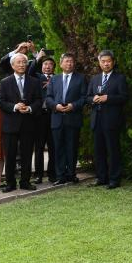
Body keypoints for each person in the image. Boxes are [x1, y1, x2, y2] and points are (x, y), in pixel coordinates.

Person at [0, 53, 42, 192]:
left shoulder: (34, 81)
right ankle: (10, 183)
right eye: (19, 62)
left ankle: (25, 182)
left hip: (28, 123)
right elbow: (1, 102)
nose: (22, 65)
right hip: (10, 124)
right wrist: (15, 107)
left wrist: (29, 108)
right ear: (12, 65)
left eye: (24, 62)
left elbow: (39, 100)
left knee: (27, 154)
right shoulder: (5, 82)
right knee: (9, 155)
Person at [86, 50, 129, 189]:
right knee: (99, 151)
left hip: (112, 120)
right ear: (99, 63)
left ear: (113, 62)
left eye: (108, 61)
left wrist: (108, 98)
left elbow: (124, 97)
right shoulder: (95, 79)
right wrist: (93, 99)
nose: (106, 64)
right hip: (96, 119)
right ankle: (101, 178)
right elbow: (87, 97)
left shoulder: (120, 78)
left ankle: (114, 180)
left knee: (113, 150)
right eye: (103, 61)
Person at [45, 53, 87, 185]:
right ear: (61, 63)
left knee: (72, 148)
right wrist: (55, 106)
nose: (69, 64)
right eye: (67, 61)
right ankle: (60, 175)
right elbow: (48, 98)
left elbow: (84, 98)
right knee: (58, 148)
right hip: (57, 118)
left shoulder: (81, 79)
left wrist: (73, 106)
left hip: (73, 118)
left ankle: (71, 174)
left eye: (71, 61)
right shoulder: (54, 79)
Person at [33, 56, 56, 183]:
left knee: (53, 146)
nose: (47, 66)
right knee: (39, 147)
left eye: (50, 64)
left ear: (54, 67)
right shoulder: (37, 77)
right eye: (45, 64)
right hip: (39, 116)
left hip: (54, 115)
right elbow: (29, 71)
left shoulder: (58, 78)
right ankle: (38, 174)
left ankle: (52, 173)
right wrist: (37, 58)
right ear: (41, 66)